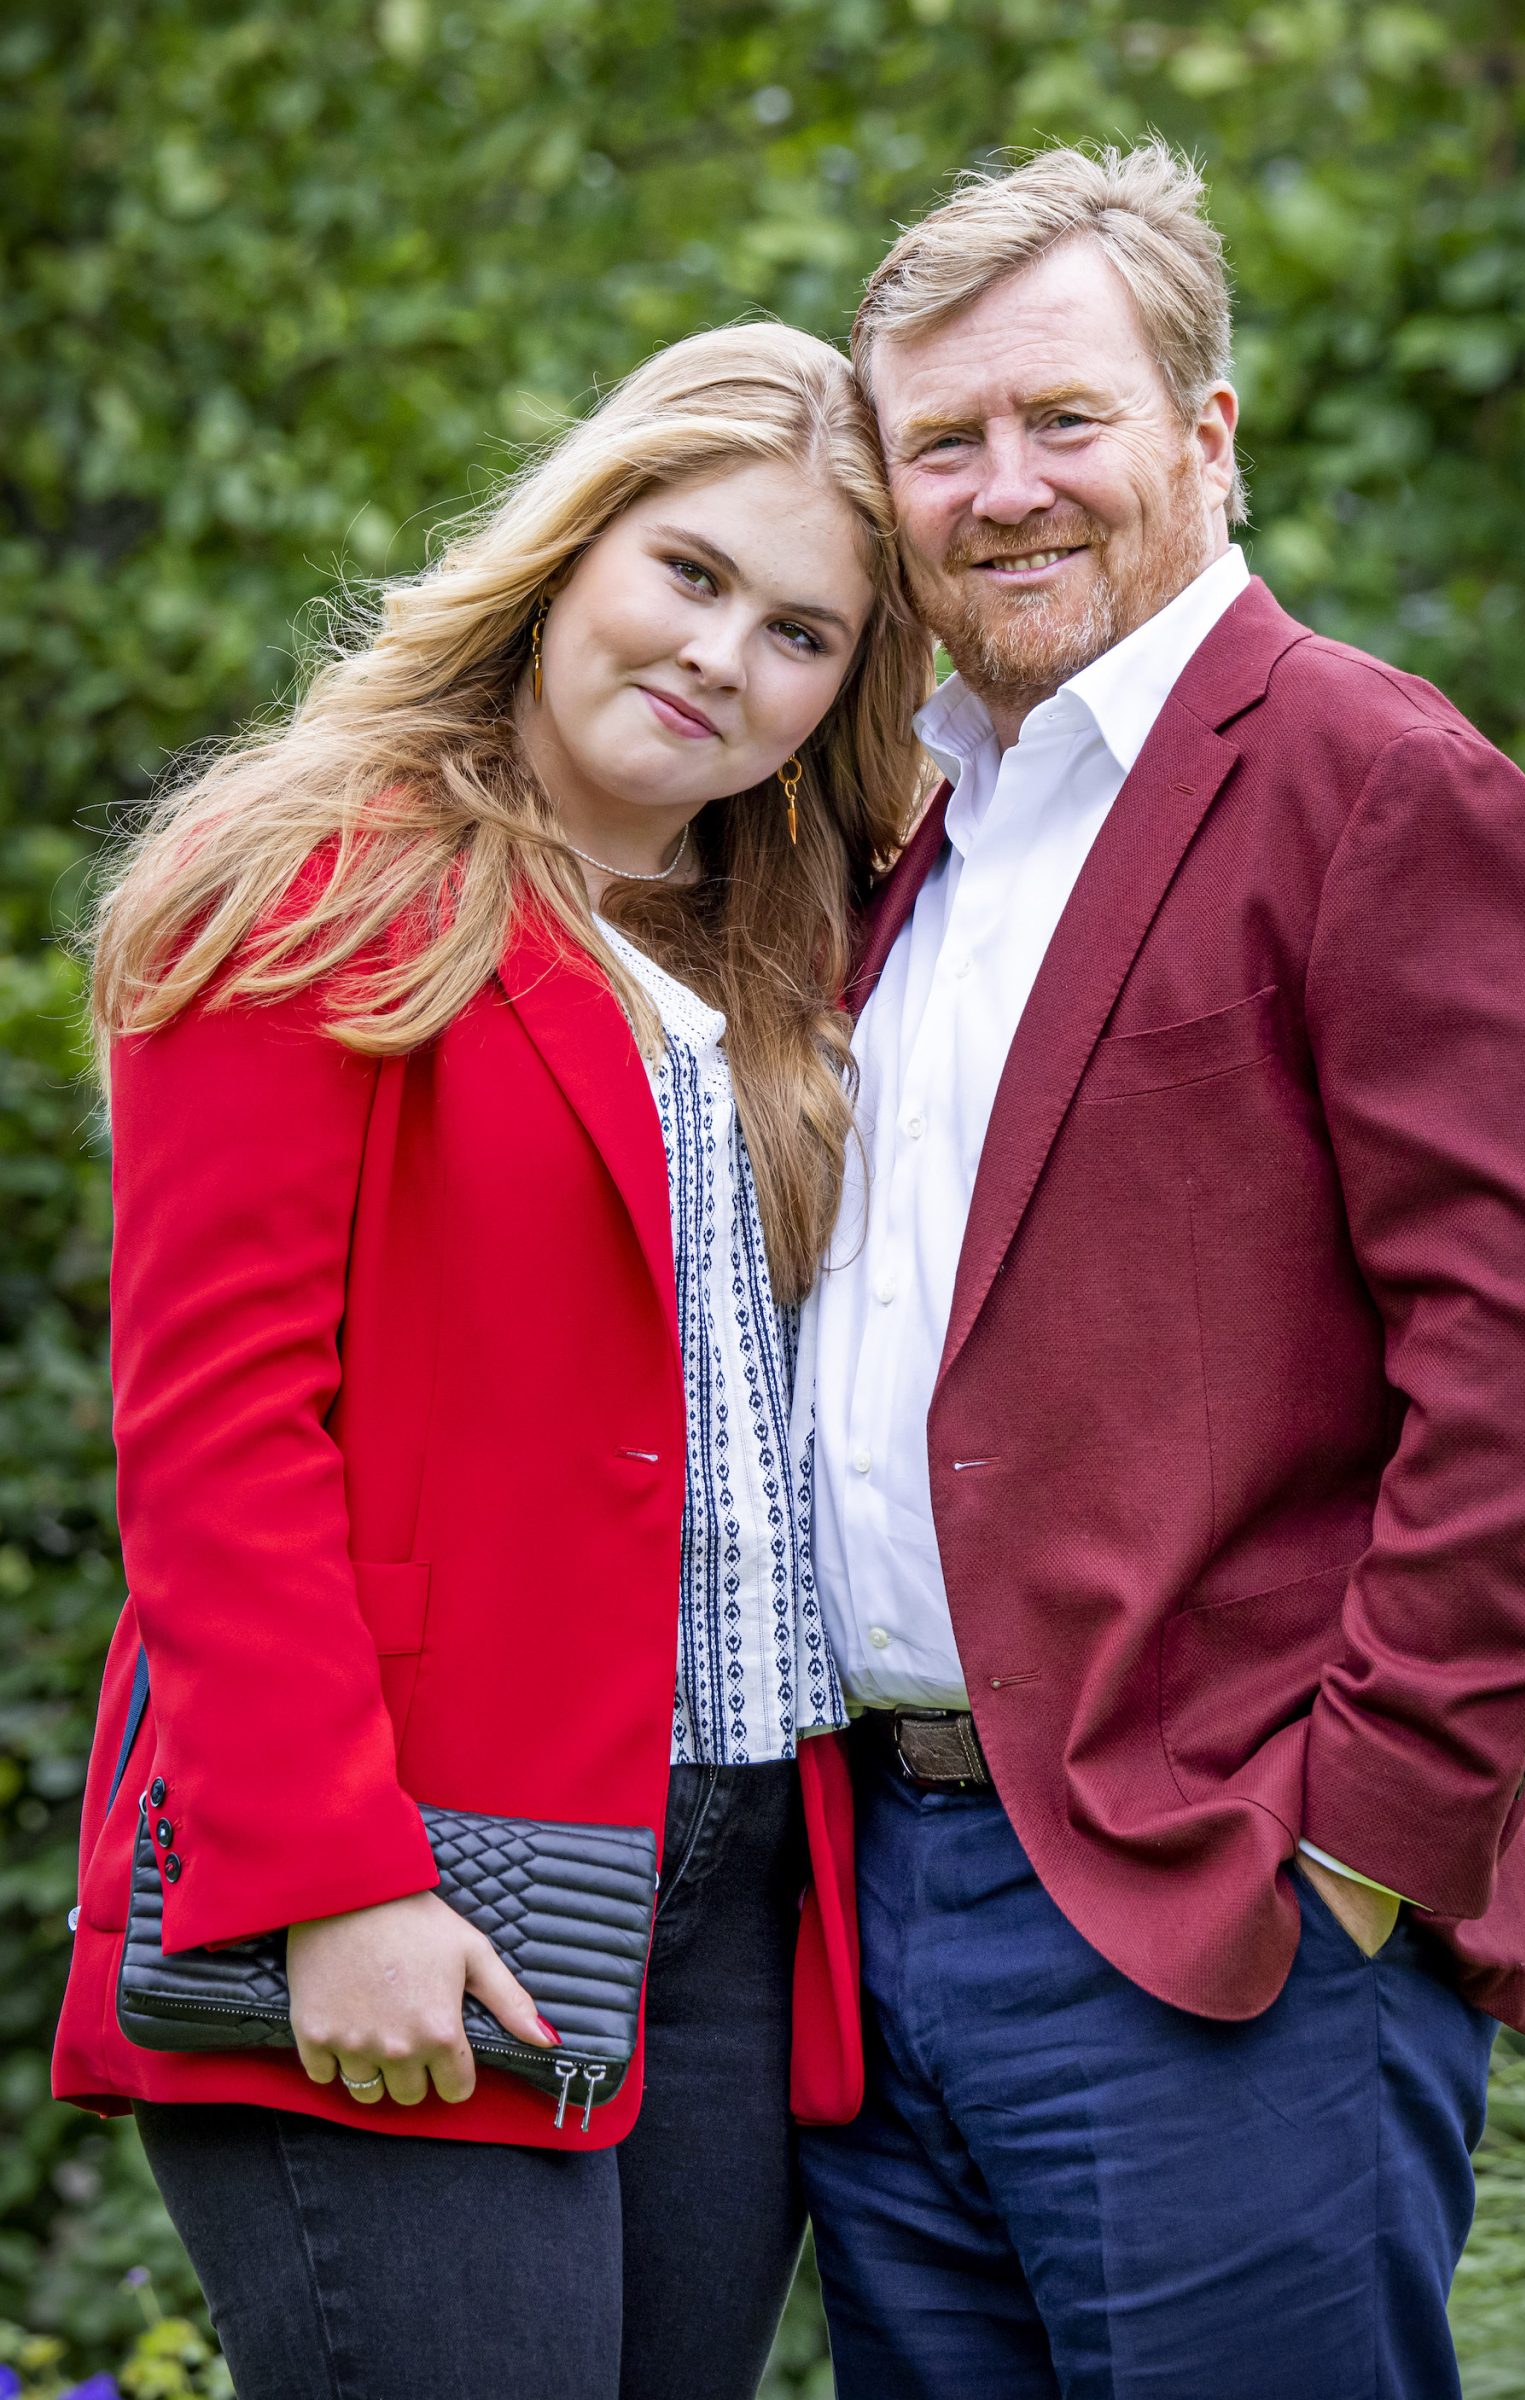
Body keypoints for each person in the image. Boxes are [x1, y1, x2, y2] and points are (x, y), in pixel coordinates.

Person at [797, 141, 1525, 2399]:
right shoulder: (921, 830)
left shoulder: (1379, 786)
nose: (1004, 487)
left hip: (1216, 1917)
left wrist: (1350, 1853)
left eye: (1062, 419)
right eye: (942, 440)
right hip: (876, 1908)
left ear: (1202, 431)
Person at [52, 320, 930, 2400]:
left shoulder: (789, 958)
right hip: (408, 1858)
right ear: (567, 546)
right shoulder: (310, 877)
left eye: (800, 630)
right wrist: (334, 1876)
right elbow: (218, 1434)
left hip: (728, 1894)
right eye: (689, 573)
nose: (726, 656)